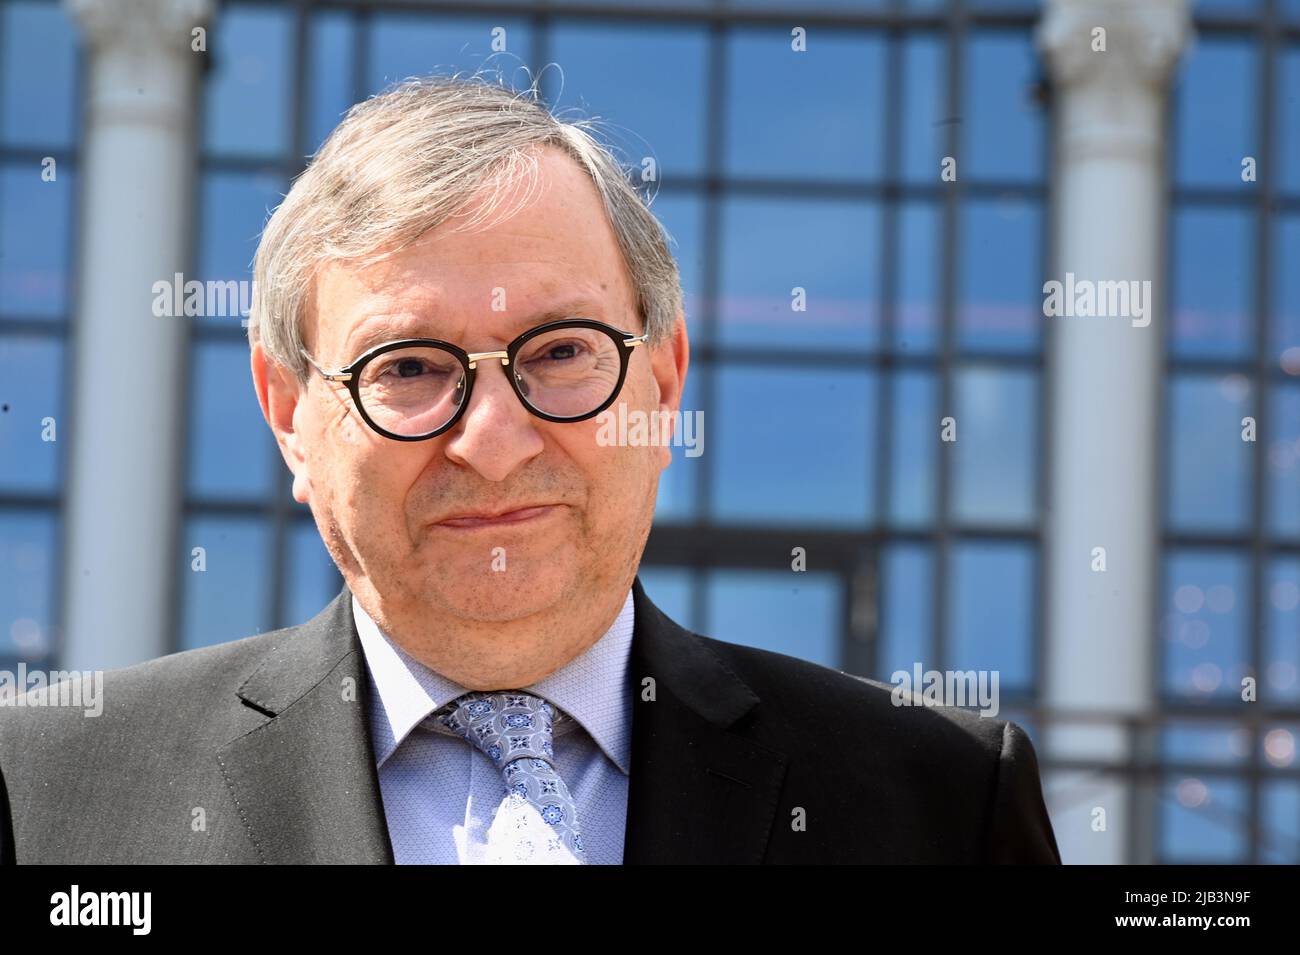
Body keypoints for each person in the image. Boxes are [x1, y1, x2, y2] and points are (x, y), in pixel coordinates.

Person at [0, 74, 1060, 864]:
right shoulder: (42, 796)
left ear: (662, 377)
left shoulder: (940, 803)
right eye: (408, 367)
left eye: (560, 353)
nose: (494, 439)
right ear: (289, 411)